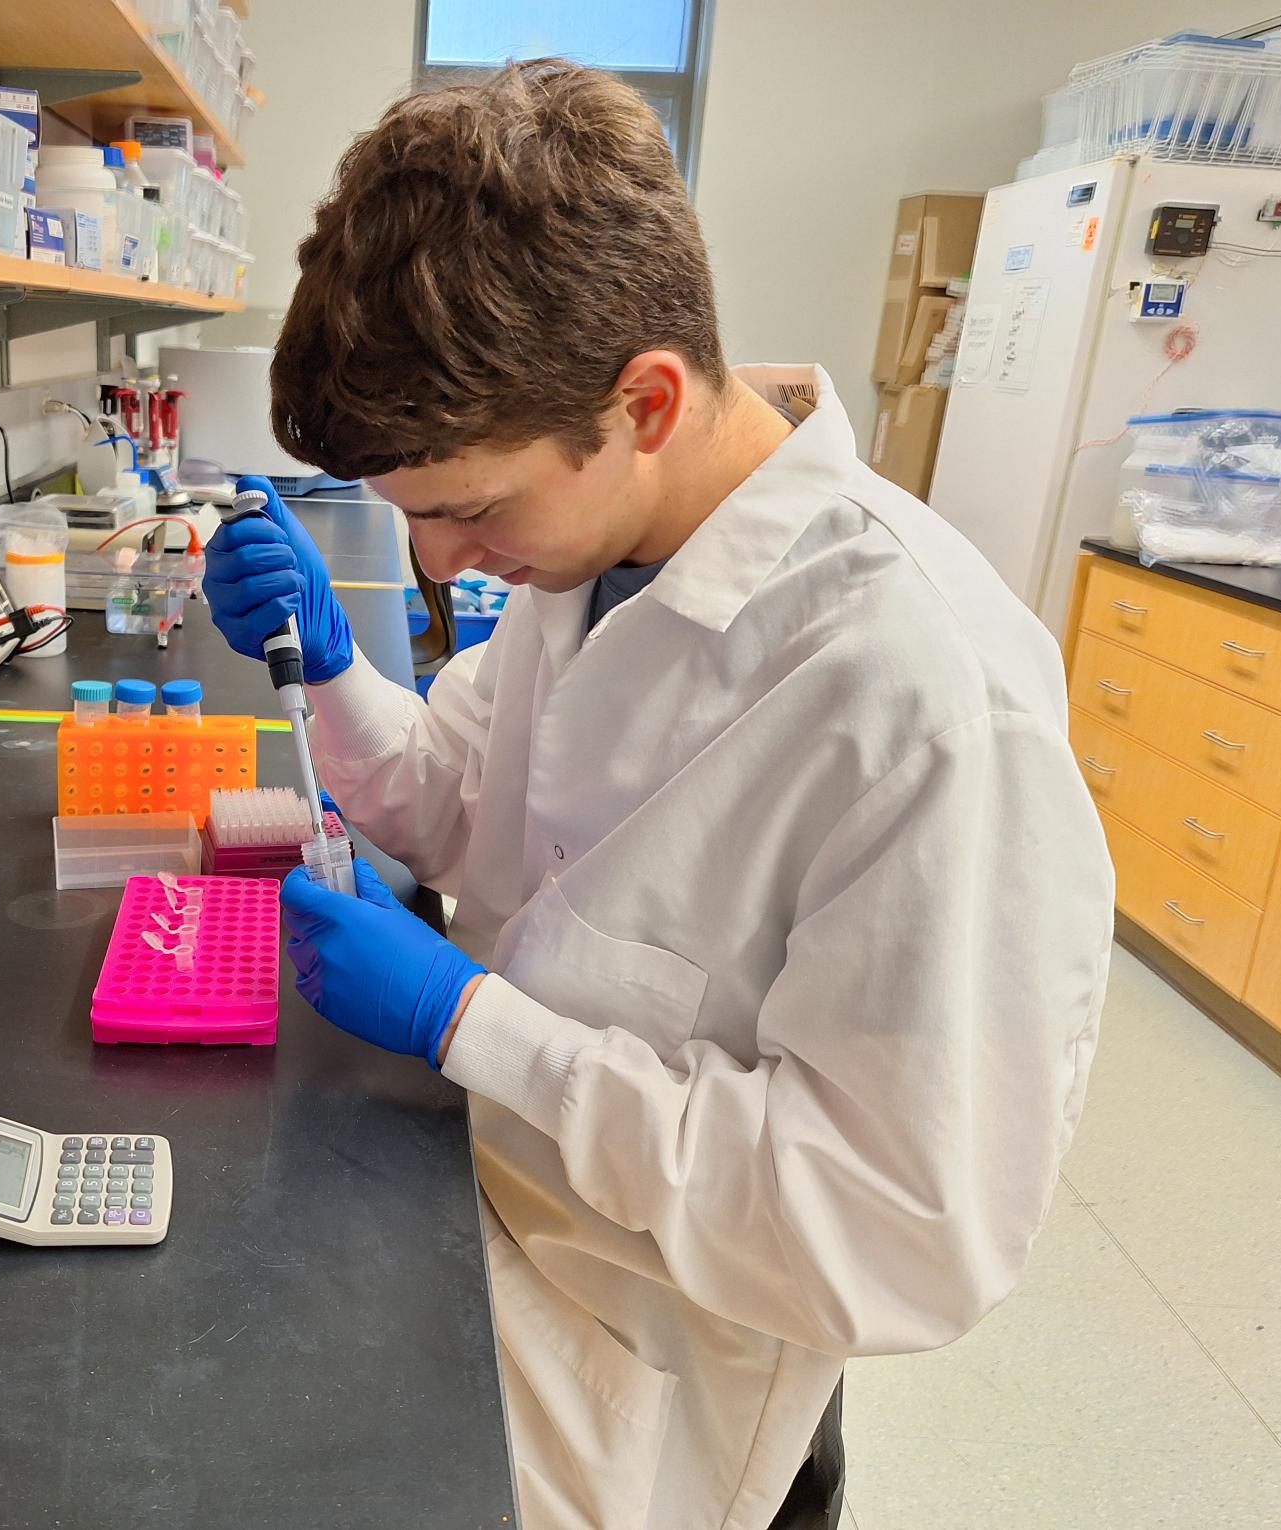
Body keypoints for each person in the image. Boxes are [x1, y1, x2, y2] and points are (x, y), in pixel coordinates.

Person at [201, 59, 1114, 1530]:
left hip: (652, 1361)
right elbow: (460, 794)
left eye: (466, 509)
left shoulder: (924, 698)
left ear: (646, 399)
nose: (433, 566)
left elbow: (901, 1226)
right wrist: (328, 672)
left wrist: (469, 1016)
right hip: (471, 1202)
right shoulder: (600, 552)